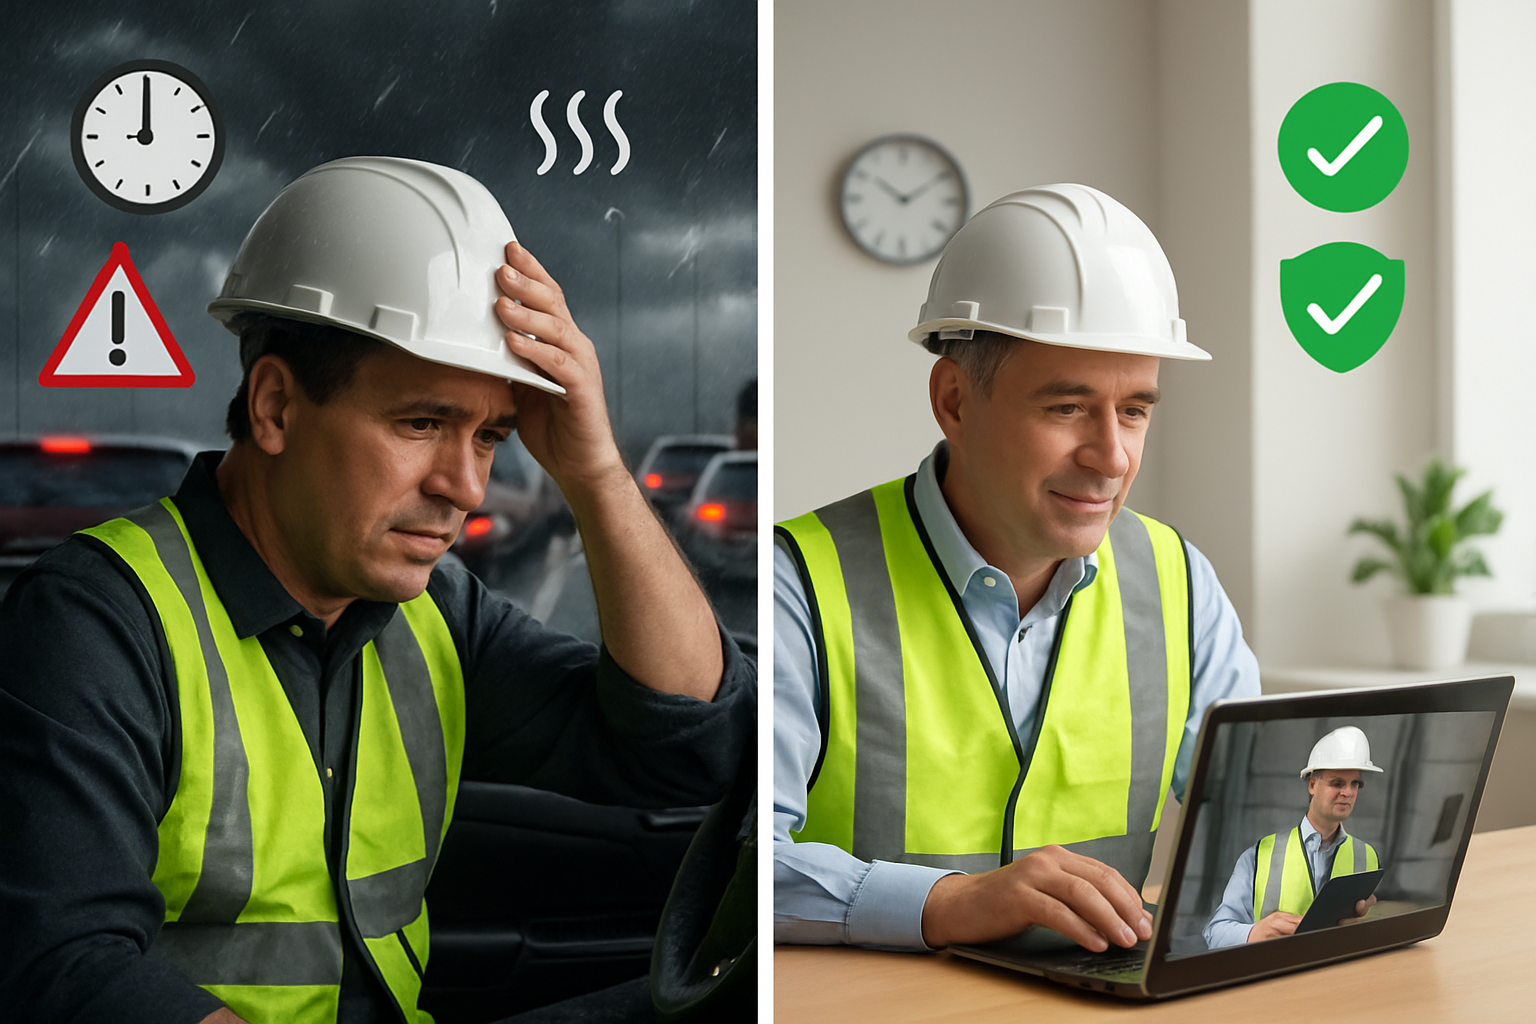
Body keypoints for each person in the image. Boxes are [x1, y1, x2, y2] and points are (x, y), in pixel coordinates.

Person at [0, 157, 753, 1023]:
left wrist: (597, 474)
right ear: (275, 407)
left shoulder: (436, 615)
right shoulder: (95, 623)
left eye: (491, 437)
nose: (466, 487)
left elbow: (688, 749)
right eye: (422, 423)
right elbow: (67, 971)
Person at [773, 183, 1261, 954]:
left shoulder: (1180, 582)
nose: (1112, 457)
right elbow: (739, 867)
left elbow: (1251, 823)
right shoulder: (797, 582)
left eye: (1135, 410)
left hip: (1096, 998)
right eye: (1067, 408)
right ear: (955, 402)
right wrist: (945, 904)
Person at [1204, 726, 1383, 948]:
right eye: (1337, 783)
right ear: (1312, 784)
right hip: (1278, 967)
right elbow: (1215, 934)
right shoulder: (1260, 856)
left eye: (1355, 783)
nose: (1348, 792)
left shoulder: (1367, 856)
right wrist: (1255, 933)